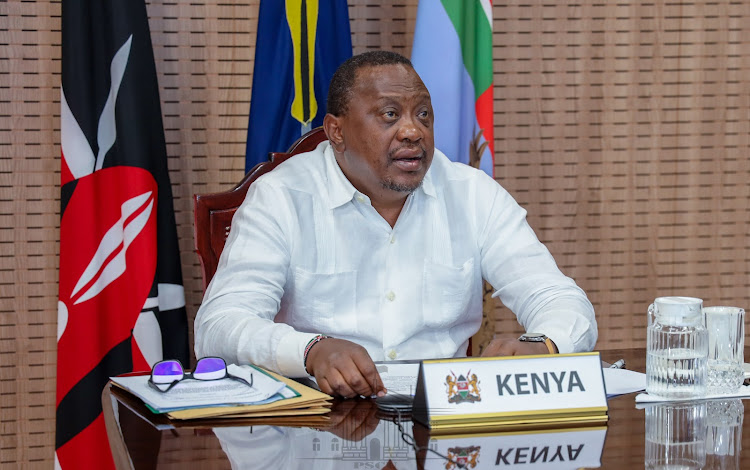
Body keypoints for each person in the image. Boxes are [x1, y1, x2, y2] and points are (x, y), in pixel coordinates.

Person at [195, 51, 597, 400]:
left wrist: (543, 344)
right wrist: (309, 350)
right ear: (337, 131)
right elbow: (219, 327)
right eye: (390, 115)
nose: (412, 131)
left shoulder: (472, 194)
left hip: (445, 419)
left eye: (423, 114)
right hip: (318, 420)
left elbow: (557, 297)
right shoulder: (281, 197)